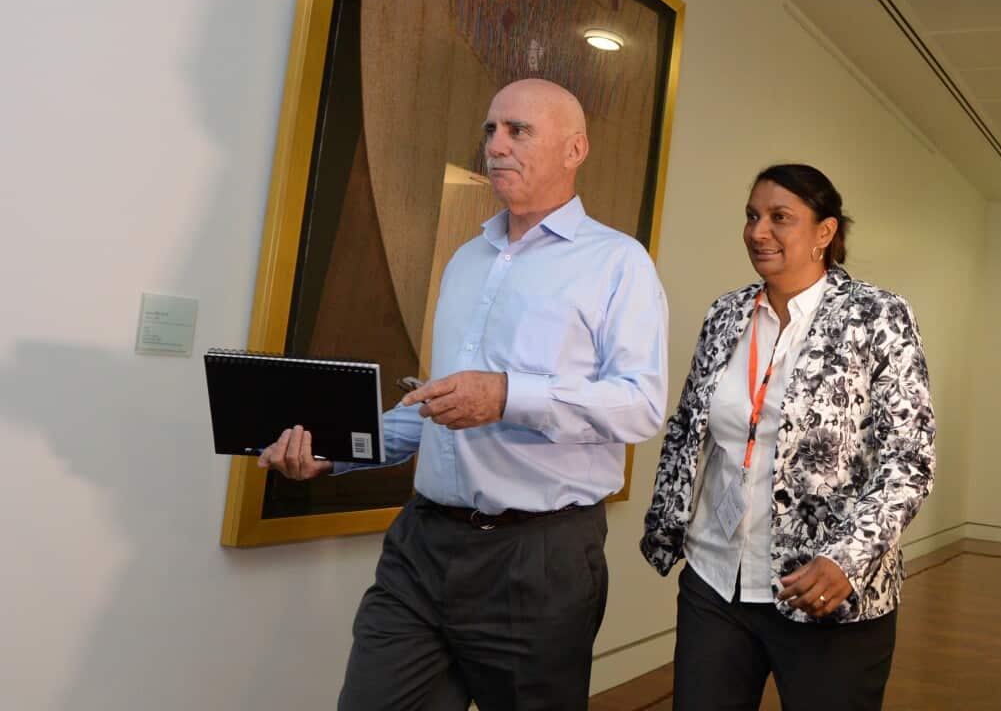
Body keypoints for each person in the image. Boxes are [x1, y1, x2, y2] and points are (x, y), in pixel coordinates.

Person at [257, 78, 669, 710]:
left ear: (575, 149)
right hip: (421, 548)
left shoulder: (619, 264)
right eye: (490, 130)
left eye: (518, 131)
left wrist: (508, 395)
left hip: (538, 558)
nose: (495, 145)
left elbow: (640, 405)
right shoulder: (467, 260)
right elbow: (435, 406)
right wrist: (334, 452)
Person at [641, 164, 936, 710]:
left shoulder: (877, 316)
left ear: (824, 233)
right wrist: (669, 523)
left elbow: (909, 459)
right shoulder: (726, 313)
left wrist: (847, 560)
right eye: (753, 216)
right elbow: (687, 427)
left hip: (824, 590)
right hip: (716, 581)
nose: (758, 231)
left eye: (780, 218)